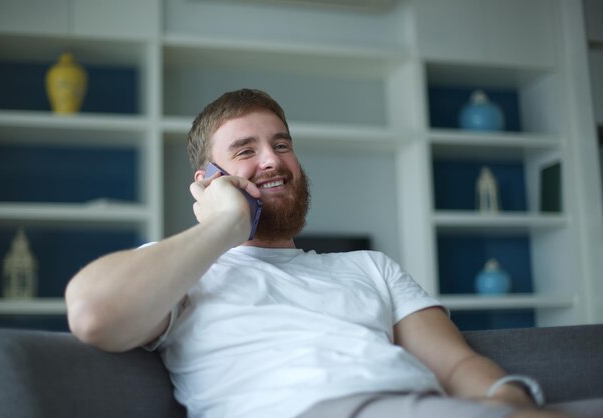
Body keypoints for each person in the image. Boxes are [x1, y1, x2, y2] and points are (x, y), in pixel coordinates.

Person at [65, 89, 599, 418]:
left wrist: (510, 404)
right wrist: (225, 225)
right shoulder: (181, 267)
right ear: (207, 181)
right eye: (245, 151)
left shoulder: (369, 267)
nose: (273, 160)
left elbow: (457, 363)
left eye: (282, 143)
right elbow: (94, 315)